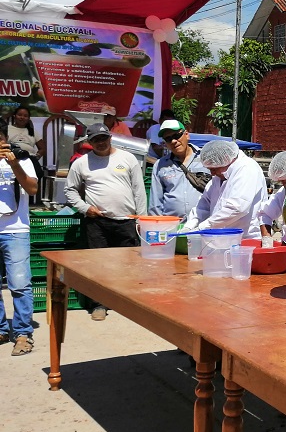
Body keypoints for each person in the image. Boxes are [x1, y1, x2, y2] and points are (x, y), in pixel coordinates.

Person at [65, 123, 147, 321]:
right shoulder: (81, 163)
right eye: (96, 140)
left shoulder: (128, 158)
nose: (100, 143)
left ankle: (127, 303)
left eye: (103, 138)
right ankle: (98, 304)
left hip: (127, 221)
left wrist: (141, 218)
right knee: (98, 265)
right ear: (89, 142)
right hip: (97, 223)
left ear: (110, 138)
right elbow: (70, 190)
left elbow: (139, 190)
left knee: (129, 265)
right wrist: (85, 208)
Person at [0, 130, 38, 355]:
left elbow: (32, 189)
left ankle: (23, 333)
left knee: (20, 284)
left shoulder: (22, 159)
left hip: (15, 229)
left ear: (5, 140)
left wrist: (14, 165)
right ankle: (1, 330)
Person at [183, 139, 268, 239]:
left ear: (227, 159)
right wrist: (190, 226)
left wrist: (203, 227)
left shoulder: (247, 168)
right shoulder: (218, 177)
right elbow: (204, 205)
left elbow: (238, 207)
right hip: (222, 238)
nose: (212, 174)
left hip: (246, 238)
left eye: (214, 169)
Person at [148, 120, 210, 218]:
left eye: (176, 136)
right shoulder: (160, 165)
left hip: (203, 223)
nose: (173, 141)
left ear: (187, 135)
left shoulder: (206, 158)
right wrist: (157, 224)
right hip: (172, 224)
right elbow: (155, 203)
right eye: (168, 139)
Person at [6, 106, 44, 205]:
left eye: (25, 116)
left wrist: (37, 156)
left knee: (38, 172)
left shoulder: (32, 131)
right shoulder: (7, 129)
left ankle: (30, 201)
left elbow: (42, 148)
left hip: (29, 157)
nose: (22, 117)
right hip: (11, 157)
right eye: (20, 115)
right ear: (15, 116)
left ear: (28, 118)